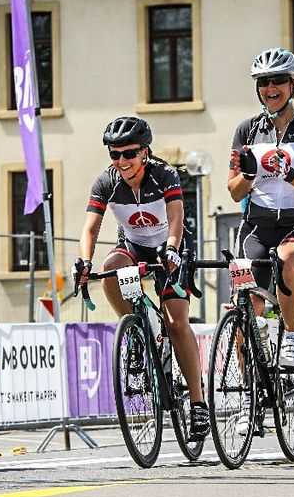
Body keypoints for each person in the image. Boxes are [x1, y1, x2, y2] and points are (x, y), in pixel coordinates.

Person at [73, 116, 209, 442]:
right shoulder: (107, 182)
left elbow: (176, 217)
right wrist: (85, 261)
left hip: (171, 246)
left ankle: (197, 402)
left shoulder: (164, 174)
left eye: (129, 153)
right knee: (111, 268)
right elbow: (90, 228)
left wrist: (172, 250)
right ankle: (136, 329)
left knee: (177, 323)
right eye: (115, 154)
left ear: (145, 152)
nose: (122, 161)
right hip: (133, 247)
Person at [227, 47, 294, 369]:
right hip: (257, 227)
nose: (270, 88)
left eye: (278, 81)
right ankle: (249, 384)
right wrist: (248, 176)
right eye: (263, 82)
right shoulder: (247, 130)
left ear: (293, 84)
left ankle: (291, 335)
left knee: (287, 260)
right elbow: (234, 192)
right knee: (245, 304)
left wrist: (289, 174)